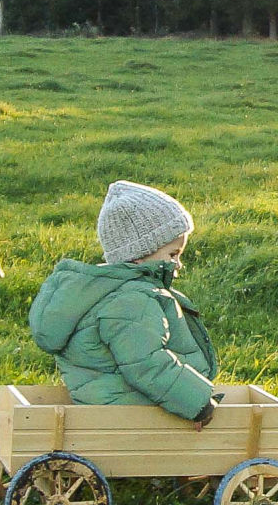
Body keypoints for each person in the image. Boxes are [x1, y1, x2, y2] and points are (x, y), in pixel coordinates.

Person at [29, 180, 219, 429]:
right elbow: (147, 364)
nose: (178, 264)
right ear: (141, 252)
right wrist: (198, 404)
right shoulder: (131, 301)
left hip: (112, 402)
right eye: (173, 254)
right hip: (129, 412)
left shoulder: (116, 289)